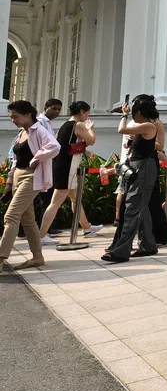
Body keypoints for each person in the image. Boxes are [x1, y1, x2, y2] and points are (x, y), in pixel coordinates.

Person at [102, 95, 164, 263]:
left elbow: (121, 129)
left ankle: (121, 251)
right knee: (140, 209)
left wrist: (124, 115)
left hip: (143, 168)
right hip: (138, 168)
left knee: (132, 209)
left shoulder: (149, 125)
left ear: (137, 112)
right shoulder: (144, 127)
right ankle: (148, 245)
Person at [1, 100, 59, 270]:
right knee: (28, 219)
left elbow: (54, 147)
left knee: (11, 216)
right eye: (11, 117)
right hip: (19, 176)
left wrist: (37, 157)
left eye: (15, 116)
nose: (13, 120)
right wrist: (9, 182)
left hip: (32, 177)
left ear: (28, 115)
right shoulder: (22, 132)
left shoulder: (38, 130)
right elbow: (15, 160)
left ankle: (0, 257)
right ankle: (37, 257)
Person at [39, 101, 101, 242]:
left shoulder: (66, 125)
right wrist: (91, 128)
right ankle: (41, 235)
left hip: (66, 167)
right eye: (86, 113)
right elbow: (91, 141)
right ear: (81, 112)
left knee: (75, 198)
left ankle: (86, 227)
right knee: (55, 202)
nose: (87, 116)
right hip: (67, 167)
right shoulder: (77, 125)